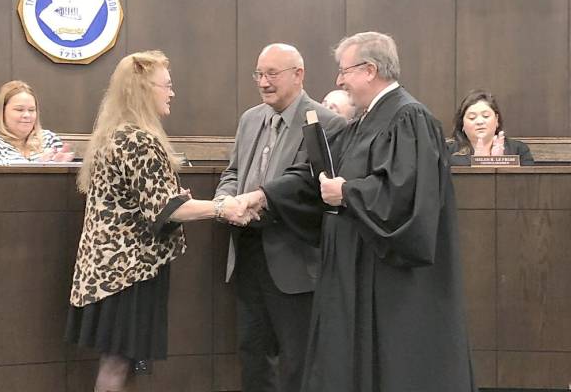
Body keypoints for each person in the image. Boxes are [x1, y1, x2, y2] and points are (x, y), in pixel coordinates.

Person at [243, 32, 477, 391]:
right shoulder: (364, 123)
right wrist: (263, 197)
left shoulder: (408, 118)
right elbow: (314, 178)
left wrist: (348, 192)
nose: (338, 80)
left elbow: (404, 197)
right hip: (355, 272)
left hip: (391, 283)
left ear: (369, 70)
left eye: (344, 71)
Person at [65, 50, 253, 392]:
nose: (172, 92)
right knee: (118, 361)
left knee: (122, 360)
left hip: (107, 269)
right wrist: (223, 206)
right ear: (142, 89)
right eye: (166, 85)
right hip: (127, 272)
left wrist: (176, 199)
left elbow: (140, 201)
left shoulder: (115, 134)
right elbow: (167, 209)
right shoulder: (139, 139)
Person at [214, 43, 345, 392]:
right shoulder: (250, 118)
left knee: (296, 358)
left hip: (294, 260)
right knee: (253, 352)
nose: (263, 82)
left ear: (298, 75)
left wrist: (260, 199)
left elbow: (306, 183)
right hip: (247, 252)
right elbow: (233, 171)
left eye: (272, 73)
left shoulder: (327, 123)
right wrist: (224, 201)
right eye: (259, 74)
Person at [448, 89, 534, 165]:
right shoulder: (447, 152)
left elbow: (526, 182)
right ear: (462, 124)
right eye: (472, 117)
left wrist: (499, 165)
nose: (480, 122)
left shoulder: (519, 150)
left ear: (496, 120)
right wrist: (477, 163)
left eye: (485, 116)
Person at [0, 80, 73, 164]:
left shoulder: (49, 138)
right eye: (19, 109)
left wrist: (61, 166)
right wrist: (39, 163)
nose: (27, 115)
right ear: (2, 112)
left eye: (32, 110)